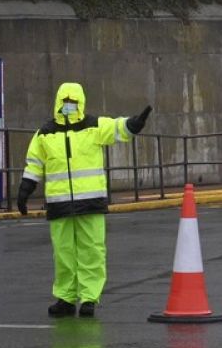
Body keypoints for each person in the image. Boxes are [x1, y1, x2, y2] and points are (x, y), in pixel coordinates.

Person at [17, 84, 151, 317]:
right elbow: (34, 163)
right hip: (59, 204)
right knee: (63, 253)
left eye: (74, 102)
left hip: (90, 203)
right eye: (66, 101)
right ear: (59, 102)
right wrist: (25, 189)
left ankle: (89, 298)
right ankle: (66, 298)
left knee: (92, 251)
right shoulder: (45, 133)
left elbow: (116, 127)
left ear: (81, 103)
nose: (69, 106)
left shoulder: (93, 126)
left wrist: (133, 124)